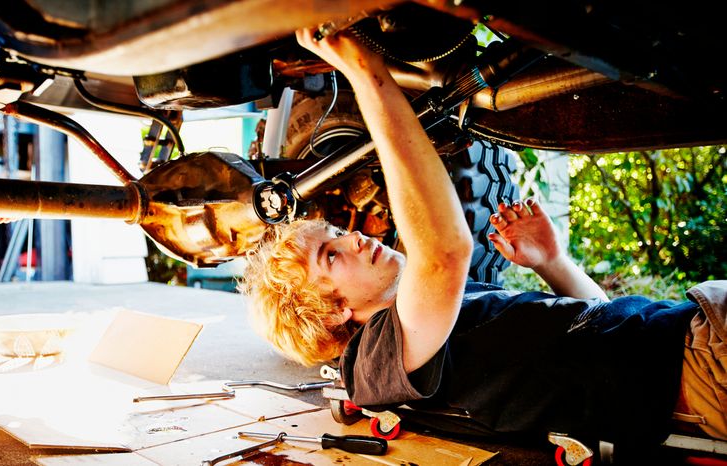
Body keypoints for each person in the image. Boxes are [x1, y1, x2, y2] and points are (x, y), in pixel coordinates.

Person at [239, 27, 727, 453]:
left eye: (338, 234)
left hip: (693, 325)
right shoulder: (371, 366)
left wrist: (552, 263)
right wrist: (367, 74)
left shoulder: (438, 316)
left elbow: (603, 323)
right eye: (332, 254)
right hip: (702, 363)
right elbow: (443, 251)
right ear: (331, 313)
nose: (356, 239)